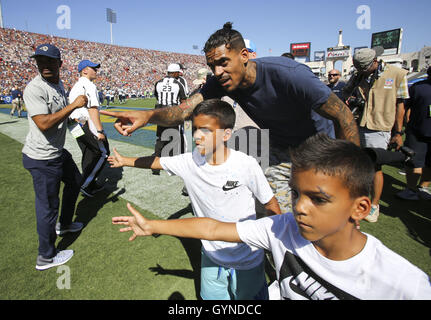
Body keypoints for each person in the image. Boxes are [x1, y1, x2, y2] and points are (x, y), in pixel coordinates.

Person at [112, 133, 431, 300]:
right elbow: (211, 227)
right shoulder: (283, 228)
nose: (300, 207)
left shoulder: (407, 285)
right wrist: (153, 225)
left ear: (360, 208)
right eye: (295, 193)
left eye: (318, 198)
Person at [101, 22, 359, 214]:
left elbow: (343, 115)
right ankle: (288, 270)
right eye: (213, 65)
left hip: (319, 148)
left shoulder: (290, 74)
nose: (218, 71)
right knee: (274, 214)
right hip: (281, 150)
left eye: (224, 62)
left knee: (324, 213)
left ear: (244, 55)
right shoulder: (220, 83)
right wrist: (147, 116)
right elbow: (181, 112)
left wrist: (352, 172)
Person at [108, 99, 281, 300]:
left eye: (206, 130)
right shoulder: (189, 161)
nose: (197, 135)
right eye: (196, 128)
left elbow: (270, 204)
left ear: (226, 134)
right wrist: (125, 161)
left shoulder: (246, 165)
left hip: (248, 260)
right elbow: (158, 162)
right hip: (211, 257)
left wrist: (277, 244)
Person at [22, 44, 88, 270]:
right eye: (40, 61)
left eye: (50, 61)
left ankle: (66, 223)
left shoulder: (57, 83)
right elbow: (43, 123)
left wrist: (76, 125)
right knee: (48, 207)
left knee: (75, 181)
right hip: (42, 158)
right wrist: (73, 106)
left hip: (57, 153)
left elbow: (59, 117)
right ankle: (46, 257)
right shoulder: (34, 88)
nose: (45, 65)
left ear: (60, 64)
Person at [344, 47, 409, 222]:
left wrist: (398, 132)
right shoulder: (359, 75)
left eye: (364, 68)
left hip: (379, 126)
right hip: (357, 124)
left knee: (375, 166)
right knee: (357, 164)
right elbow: (345, 94)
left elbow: (400, 106)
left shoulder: (397, 74)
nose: (362, 71)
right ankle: (358, 198)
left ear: (375, 62)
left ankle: (374, 205)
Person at [69, 59, 110, 197]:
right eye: (93, 68)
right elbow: (93, 109)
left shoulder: (76, 86)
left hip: (74, 125)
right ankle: (85, 185)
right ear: (85, 70)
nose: (96, 70)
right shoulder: (89, 85)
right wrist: (99, 130)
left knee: (88, 153)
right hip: (85, 122)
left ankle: (90, 184)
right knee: (103, 152)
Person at [396, 66, 431, 200]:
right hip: (417, 132)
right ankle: (411, 189)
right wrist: (400, 129)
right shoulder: (418, 87)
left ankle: (423, 187)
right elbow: (403, 106)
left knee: (429, 163)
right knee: (413, 161)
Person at [151, 63, 187, 175]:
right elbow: (183, 102)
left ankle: (155, 164)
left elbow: (157, 96)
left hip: (160, 112)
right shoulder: (178, 83)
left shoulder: (158, 83)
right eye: (178, 73)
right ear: (175, 73)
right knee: (174, 138)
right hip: (173, 113)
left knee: (160, 138)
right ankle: (173, 166)